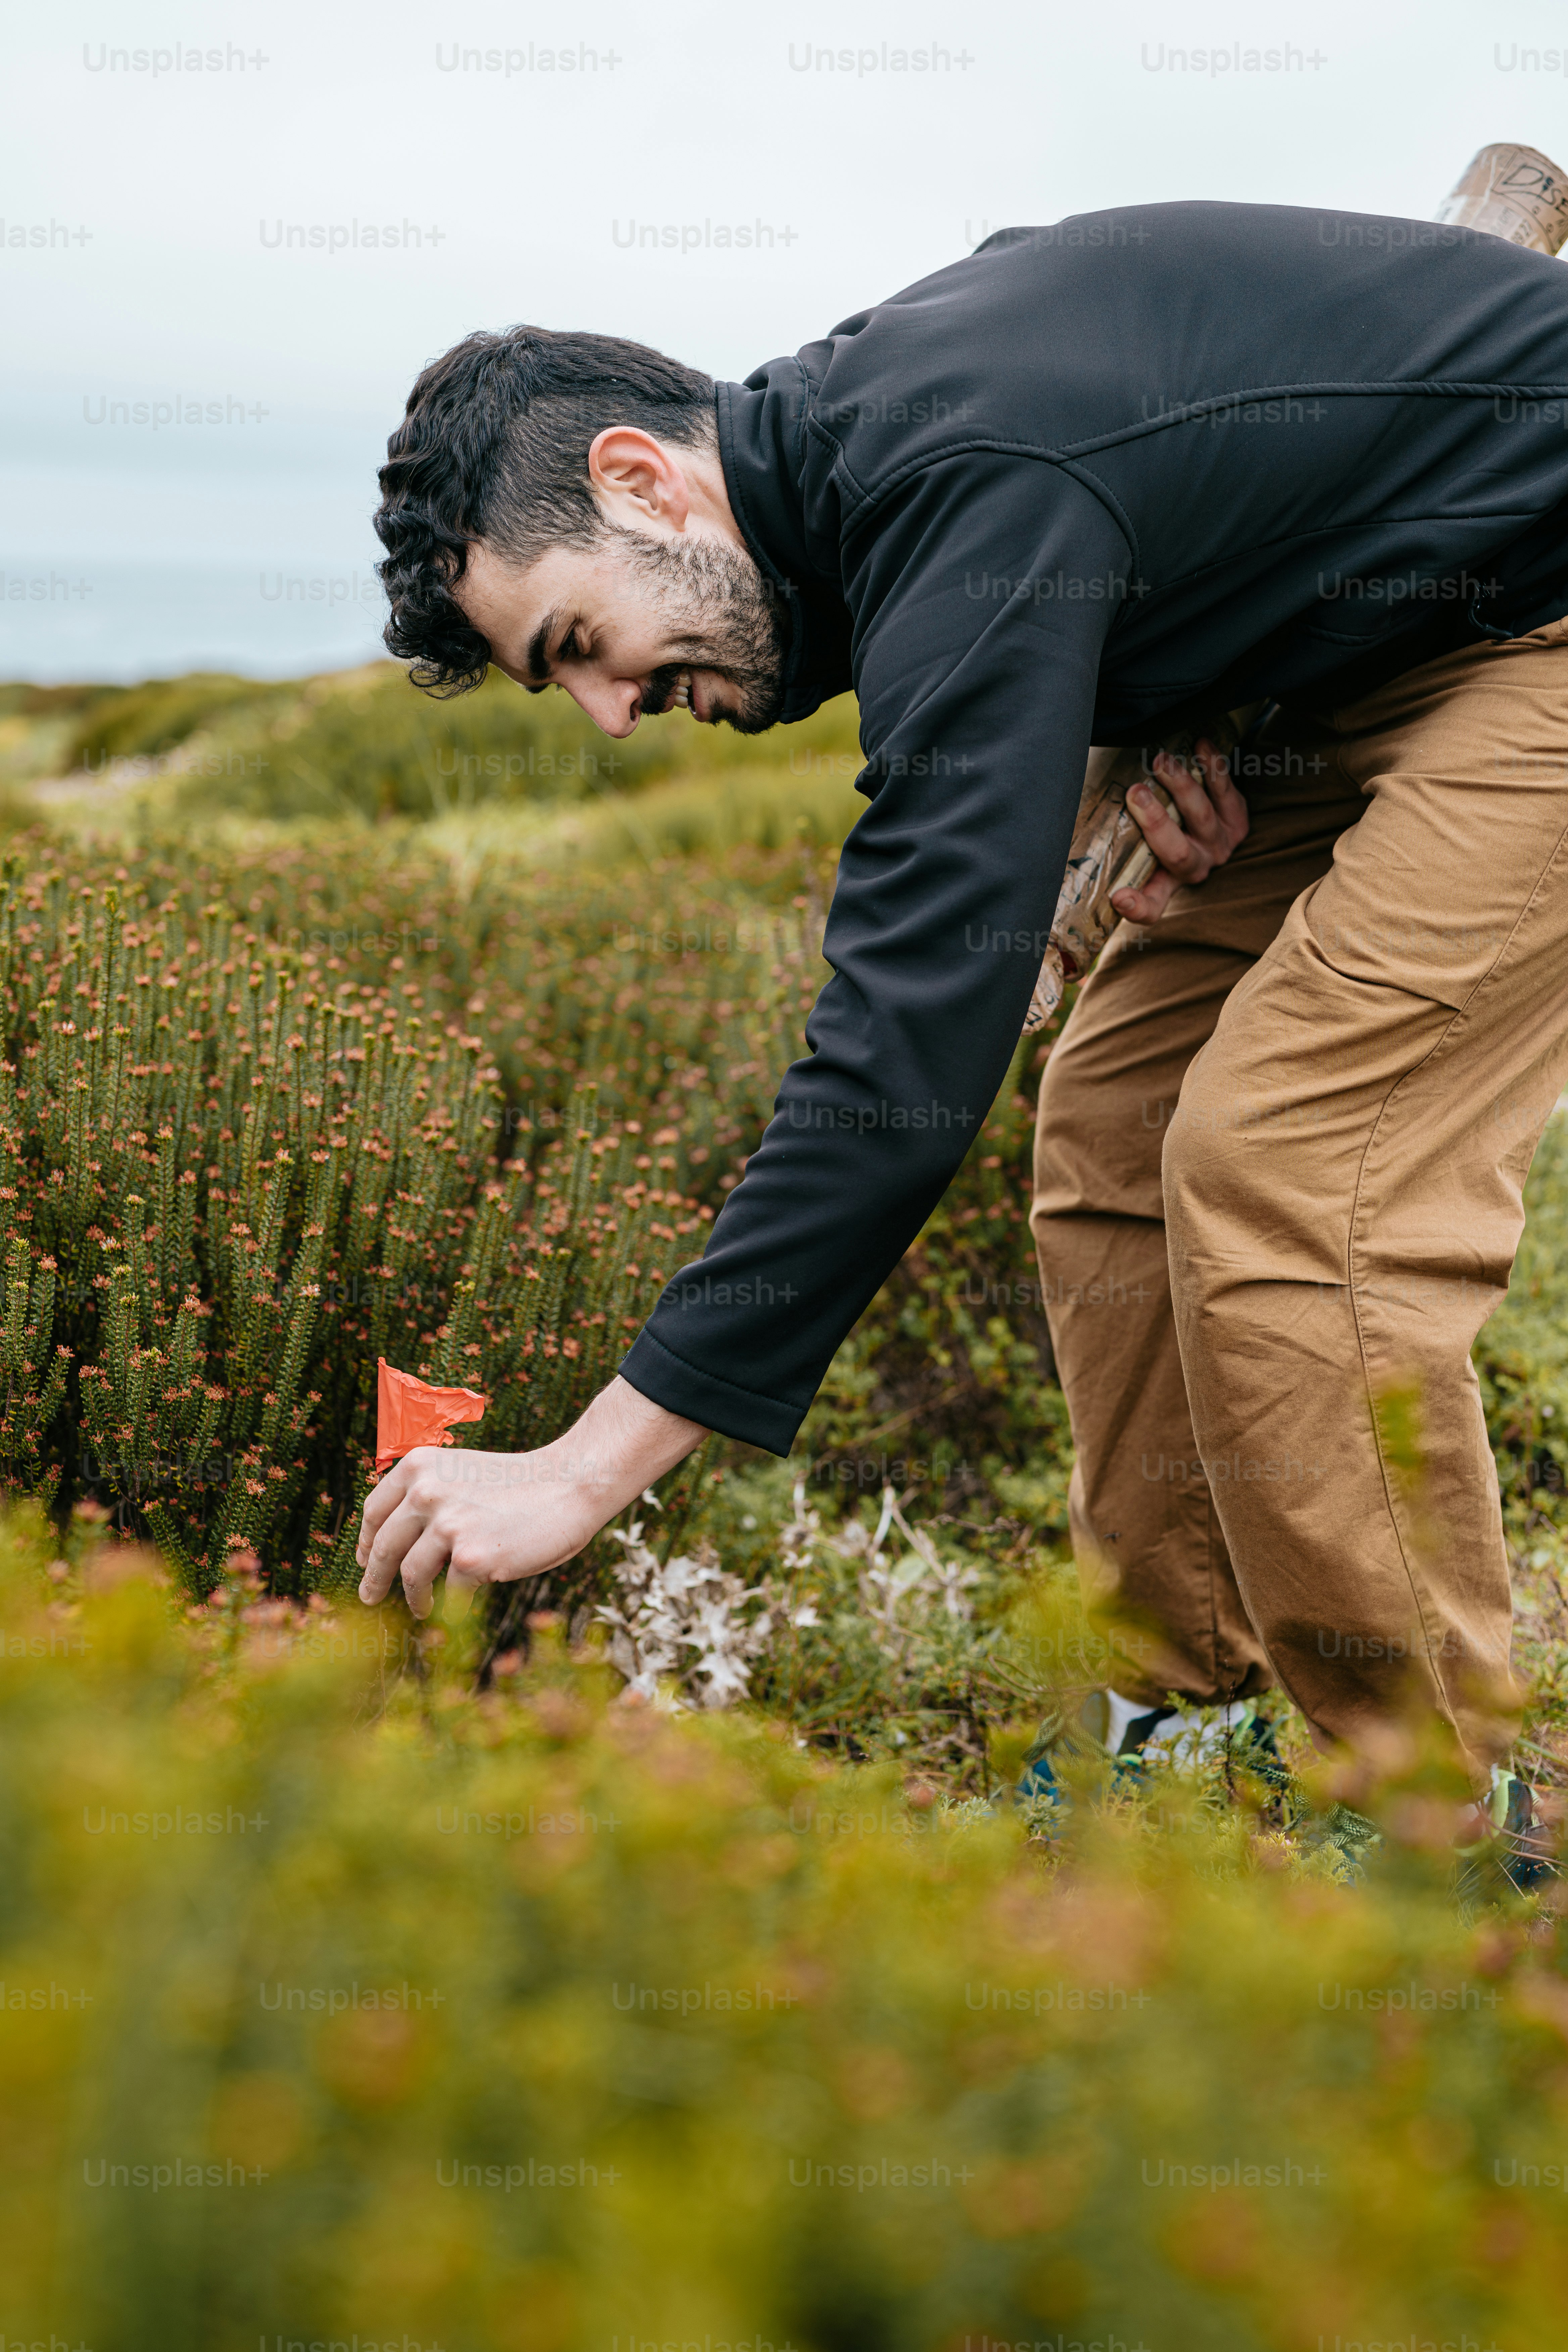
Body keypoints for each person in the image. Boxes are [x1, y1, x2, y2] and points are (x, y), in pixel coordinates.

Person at [356, 199, 1568, 1837]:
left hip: (1541, 631)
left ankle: (1430, 1802)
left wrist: (583, 1470)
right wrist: (1159, 726)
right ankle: (1180, 1697)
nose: (613, 715)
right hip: (1345, 659)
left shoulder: (957, 471)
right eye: (556, 685)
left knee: (1283, 1163)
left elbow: (905, 1045)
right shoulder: (876, 480)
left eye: (580, 643)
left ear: (643, 479)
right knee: (1113, 1121)